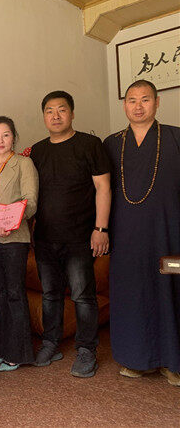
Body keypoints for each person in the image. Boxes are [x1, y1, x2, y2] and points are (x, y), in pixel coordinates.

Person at [103, 80, 180, 387]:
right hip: (126, 236)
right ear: (124, 105)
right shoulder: (111, 144)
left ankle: (173, 362)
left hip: (171, 235)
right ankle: (136, 359)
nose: (138, 106)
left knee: (172, 287)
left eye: (145, 99)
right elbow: (100, 190)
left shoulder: (175, 137)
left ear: (157, 103)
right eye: (132, 100)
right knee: (131, 292)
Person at [30, 91, 111, 378]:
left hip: (80, 236)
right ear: (44, 116)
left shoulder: (90, 145)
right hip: (45, 237)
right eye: (49, 111)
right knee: (50, 294)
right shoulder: (37, 151)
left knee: (82, 296)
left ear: (72, 113)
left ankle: (87, 350)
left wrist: (101, 229)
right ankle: (50, 343)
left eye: (61, 110)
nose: (55, 116)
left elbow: (103, 187)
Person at [0, 116, 38, 371]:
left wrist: (9, 222)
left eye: (5, 135)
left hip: (13, 237)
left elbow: (30, 201)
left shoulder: (24, 163)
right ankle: (1, 348)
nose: (0, 140)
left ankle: (19, 352)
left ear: (14, 137)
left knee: (14, 293)